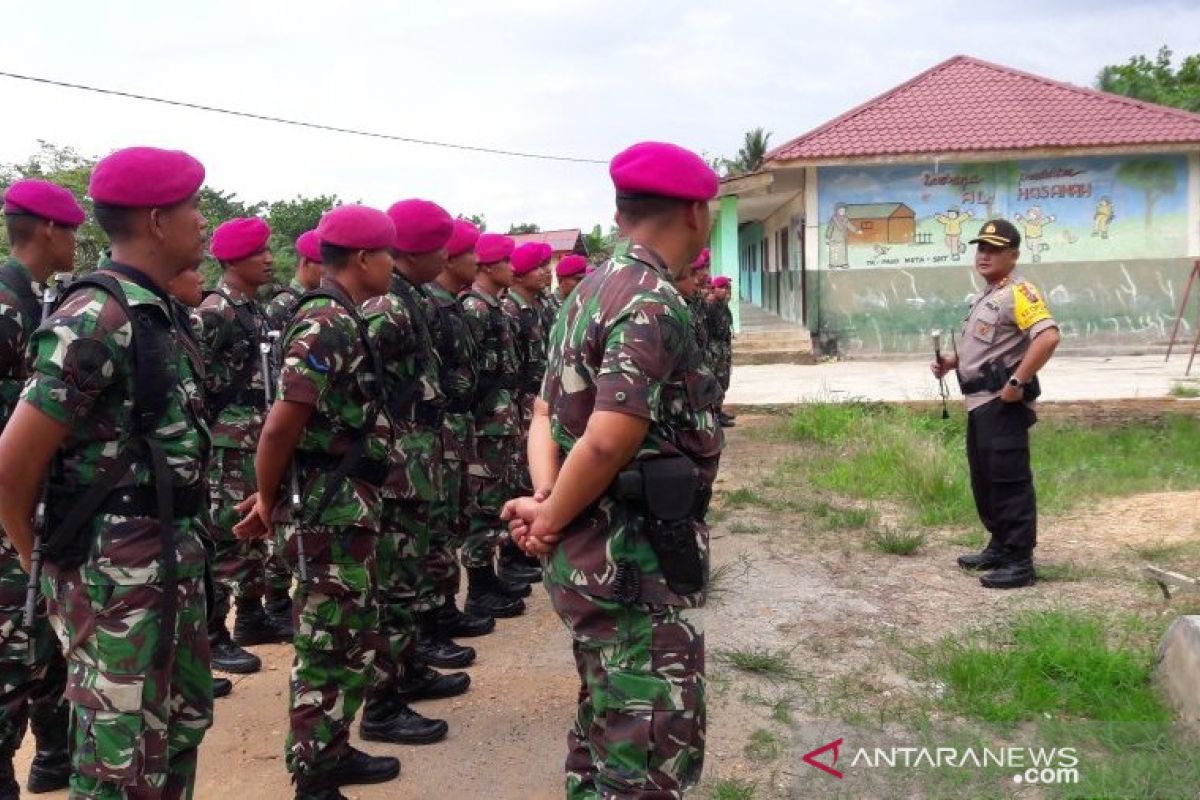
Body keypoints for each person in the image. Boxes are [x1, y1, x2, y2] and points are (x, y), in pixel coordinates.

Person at [503, 140, 723, 798]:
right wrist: (551, 513)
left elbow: (545, 413)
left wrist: (547, 501)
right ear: (693, 212)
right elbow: (606, 439)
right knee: (648, 746)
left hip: (587, 550)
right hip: (630, 557)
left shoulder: (586, 292)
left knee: (605, 722)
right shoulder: (650, 299)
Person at [0, 146, 214, 799]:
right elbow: (12, 464)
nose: (203, 222)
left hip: (166, 567)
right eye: (192, 208)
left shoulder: (157, 310)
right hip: (109, 583)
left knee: (177, 734)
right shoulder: (97, 316)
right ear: (156, 220)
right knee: (118, 766)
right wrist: (46, 565)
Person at [234, 204, 400, 799]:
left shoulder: (341, 316)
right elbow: (280, 427)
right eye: (387, 254)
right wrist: (267, 497)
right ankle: (313, 777)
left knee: (350, 636)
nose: (392, 265)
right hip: (323, 512)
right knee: (326, 642)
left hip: (342, 507)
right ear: (362, 258)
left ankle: (331, 749)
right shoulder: (326, 321)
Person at [359, 199, 467, 747]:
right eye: (441, 247)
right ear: (415, 251)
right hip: (397, 466)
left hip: (417, 461)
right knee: (394, 589)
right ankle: (381, 705)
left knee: (415, 578)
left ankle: (409, 671)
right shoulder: (385, 307)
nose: (449, 256)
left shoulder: (412, 298)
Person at [0, 179, 79, 797]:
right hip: (7, 502)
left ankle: (55, 754)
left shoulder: (41, 301)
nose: (76, 240)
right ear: (48, 231)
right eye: (72, 229)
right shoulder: (6, 305)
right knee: (10, 642)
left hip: (39, 500)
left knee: (47, 638)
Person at [930, 219, 1060, 590]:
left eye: (994, 249)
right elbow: (988, 348)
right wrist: (952, 364)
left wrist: (1017, 382)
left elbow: (1048, 337)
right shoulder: (988, 296)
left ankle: (1020, 561)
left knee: (1009, 480)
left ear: (1014, 255)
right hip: (978, 403)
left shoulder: (1021, 293)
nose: (984, 255)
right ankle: (1000, 545)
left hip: (1001, 403)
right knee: (985, 479)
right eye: (981, 248)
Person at [193, 217, 290, 677]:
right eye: (259, 253)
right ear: (232, 260)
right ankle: (213, 634)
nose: (269, 259)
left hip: (255, 435)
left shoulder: (255, 309)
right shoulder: (213, 311)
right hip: (230, 442)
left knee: (254, 535)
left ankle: (252, 617)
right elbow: (191, 378)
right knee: (228, 536)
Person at [165, 267, 233, 702]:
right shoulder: (102, 317)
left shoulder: (177, 320)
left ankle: (208, 638)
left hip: (187, 480)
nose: (200, 278)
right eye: (191, 271)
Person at [424, 220, 494, 640]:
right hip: (437, 429)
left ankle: (444, 607)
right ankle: (432, 617)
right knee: (436, 523)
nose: (479, 262)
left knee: (453, 517)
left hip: (458, 423)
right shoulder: (431, 306)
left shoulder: (448, 305)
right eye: (474, 254)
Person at [460, 233, 528, 620]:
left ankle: (488, 577)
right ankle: (480, 585)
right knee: (483, 504)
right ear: (487, 266)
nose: (513, 268)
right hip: (485, 422)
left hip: (501, 418)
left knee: (496, 498)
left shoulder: (492, 307)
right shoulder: (475, 308)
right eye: (506, 260)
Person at [260, 229, 324, 636]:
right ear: (311, 264)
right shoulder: (288, 307)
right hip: (266, 423)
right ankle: (272, 601)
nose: (268, 259)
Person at [498, 242, 551, 587]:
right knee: (509, 481)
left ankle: (521, 552)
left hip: (535, 407)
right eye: (539, 267)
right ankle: (510, 556)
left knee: (525, 479)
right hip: (515, 407)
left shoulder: (535, 308)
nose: (546, 272)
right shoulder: (510, 311)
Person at [264, 229, 323, 330]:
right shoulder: (282, 305)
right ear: (306, 262)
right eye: (324, 264)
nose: (329, 271)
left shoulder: (320, 299)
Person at [706, 275, 735, 427]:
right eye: (722, 287)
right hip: (714, 350)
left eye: (728, 288)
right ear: (713, 289)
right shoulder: (710, 306)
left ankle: (719, 410)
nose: (726, 291)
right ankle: (714, 414)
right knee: (716, 382)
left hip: (723, 349)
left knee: (723, 382)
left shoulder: (722, 305)